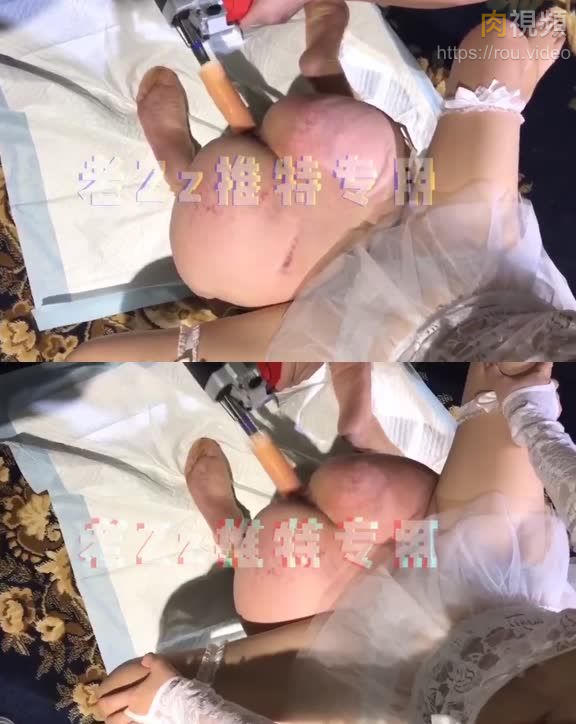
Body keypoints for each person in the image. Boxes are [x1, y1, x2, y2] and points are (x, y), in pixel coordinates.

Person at [70, 6, 573, 362]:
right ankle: (188, 166)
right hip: (298, 257)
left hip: (374, 197)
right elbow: (198, 345)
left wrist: (511, 89)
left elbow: (495, 38)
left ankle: (317, 71)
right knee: (219, 272)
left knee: (501, 38)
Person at [95, 362, 576, 723]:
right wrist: (531, 414)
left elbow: (146, 685)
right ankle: (374, 445)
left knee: (283, 539)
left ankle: (232, 533)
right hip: (499, 600)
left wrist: (182, 701)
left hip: (388, 689)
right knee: (356, 487)